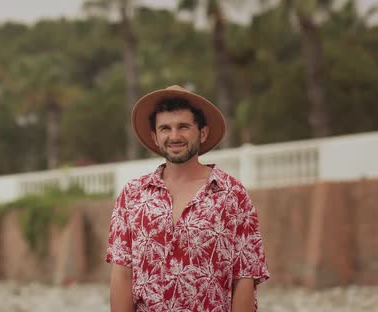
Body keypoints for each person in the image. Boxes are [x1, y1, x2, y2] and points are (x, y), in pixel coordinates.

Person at [106, 85, 270, 311]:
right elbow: (122, 274)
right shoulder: (133, 195)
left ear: (202, 132)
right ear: (155, 137)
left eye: (183, 126)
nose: (174, 136)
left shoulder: (232, 194)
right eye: (165, 128)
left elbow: (244, 277)